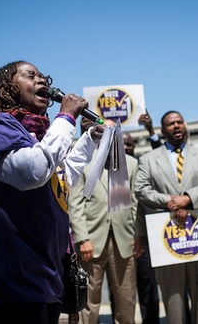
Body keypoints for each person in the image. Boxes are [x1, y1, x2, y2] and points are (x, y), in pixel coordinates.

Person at [0, 61, 104, 324]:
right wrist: (67, 117)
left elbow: (60, 179)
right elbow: (32, 173)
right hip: (9, 279)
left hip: (41, 274)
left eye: (42, 76)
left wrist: (89, 140)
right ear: (8, 89)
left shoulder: (39, 134)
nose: (41, 81)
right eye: (30, 75)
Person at [135, 110, 198, 324]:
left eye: (179, 122)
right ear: (163, 130)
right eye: (171, 124)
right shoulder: (148, 159)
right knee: (173, 300)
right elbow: (141, 189)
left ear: (185, 126)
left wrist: (189, 199)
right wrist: (169, 201)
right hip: (167, 240)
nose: (176, 126)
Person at [68, 118, 138, 324]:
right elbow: (75, 204)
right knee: (89, 302)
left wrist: (136, 234)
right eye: (105, 130)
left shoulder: (131, 163)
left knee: (126, 300)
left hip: (124, 242)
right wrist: (82, 238)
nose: (110, 133)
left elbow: (135, 203)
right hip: (91, 242)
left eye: (113, 130)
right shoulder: (83, 163)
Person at [123, 131, 160, 324]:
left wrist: (152, 132)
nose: (126, 148)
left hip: (144, 236)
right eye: (122, 145)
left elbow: (161, 155)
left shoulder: (143, 164)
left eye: (129, 144)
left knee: (148, 284)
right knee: (121, 288)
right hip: (121, 236)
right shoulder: (110, 168)